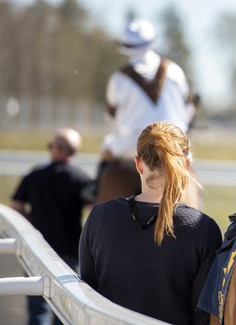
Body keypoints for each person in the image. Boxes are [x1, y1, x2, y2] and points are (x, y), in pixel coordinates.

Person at [79, 121, 222, 325]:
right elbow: (203, 317)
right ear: (187, 167)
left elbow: (88, 295)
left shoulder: (99, 216)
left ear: (138, 164)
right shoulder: (203, 228)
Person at [93, 18, 199, 193]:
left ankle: (95, 190)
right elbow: (188, 110)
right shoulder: (175, 70)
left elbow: (111, 118)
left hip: (131, 145)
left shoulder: (118, 78)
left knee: (106, 150)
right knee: (192, 176)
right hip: (171, 144)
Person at [11, 127, 92, 325]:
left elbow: (16, 206)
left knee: (37, 307)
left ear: (57, 148)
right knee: (65, 307)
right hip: (70, 251)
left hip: (37, 248)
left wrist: (31, 225)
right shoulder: (82, 179)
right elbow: (95, 206)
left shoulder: (35, 175)